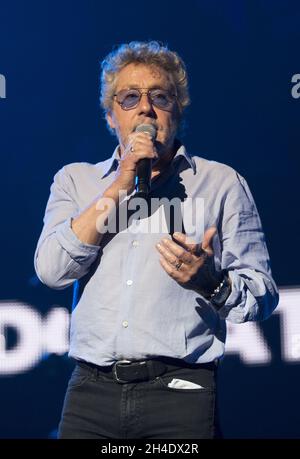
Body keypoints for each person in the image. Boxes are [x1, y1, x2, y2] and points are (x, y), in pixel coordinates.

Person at [34, 40, 279, 439]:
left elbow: (263, 297)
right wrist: (120, 184)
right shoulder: (76, 181)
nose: (145, 108)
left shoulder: (220, 183)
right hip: (90, 393)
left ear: (177, 110)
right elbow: (51, 272)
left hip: (181, 393)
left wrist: (211, 282)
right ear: (111, 116)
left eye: (159, 97)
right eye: (130, 98)